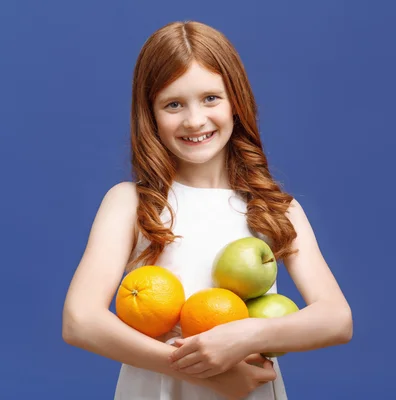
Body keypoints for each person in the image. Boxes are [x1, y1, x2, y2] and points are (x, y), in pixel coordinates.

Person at [62, 20, 353, 400]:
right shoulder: (131, 203)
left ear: (237, 102)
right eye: (173, 104)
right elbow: (79, 320)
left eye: (211, 98)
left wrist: (248, 335)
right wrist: (205, 373)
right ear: (149, 114)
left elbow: (336, 318)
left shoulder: (275, 209)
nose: (195, 120)